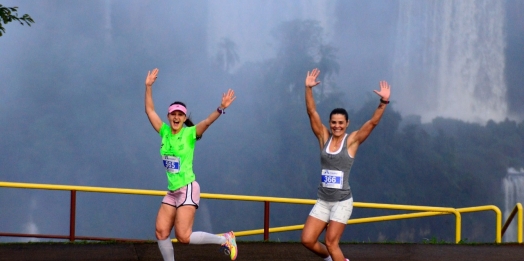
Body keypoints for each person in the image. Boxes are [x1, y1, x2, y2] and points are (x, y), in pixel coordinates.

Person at [144, 68, 238, 261]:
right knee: (161, 231)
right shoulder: (164, 132)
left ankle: (225, 239)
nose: (176, 117)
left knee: (183, 237)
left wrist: (221, 108)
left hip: (187, 189)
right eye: (173, 114)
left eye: (180, 114)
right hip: (172, 190)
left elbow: (207, 122)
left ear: (184, 118)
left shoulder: (189, 134)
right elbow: (150, 110)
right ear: (169, 117)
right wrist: (148, 87)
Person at [301, 68, 391, 261]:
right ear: (329, 123)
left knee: (332, 243)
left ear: (347, 124)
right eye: (334, 122)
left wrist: (383, 102)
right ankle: (331, 259)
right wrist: (308, 88)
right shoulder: (323, 137)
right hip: (323, 200)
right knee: (308, 240)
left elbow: (372, 123)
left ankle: (336, 257)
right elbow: (311, 112)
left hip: (342, 202)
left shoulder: (352, 141)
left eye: (341, 123)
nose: (337, 126)